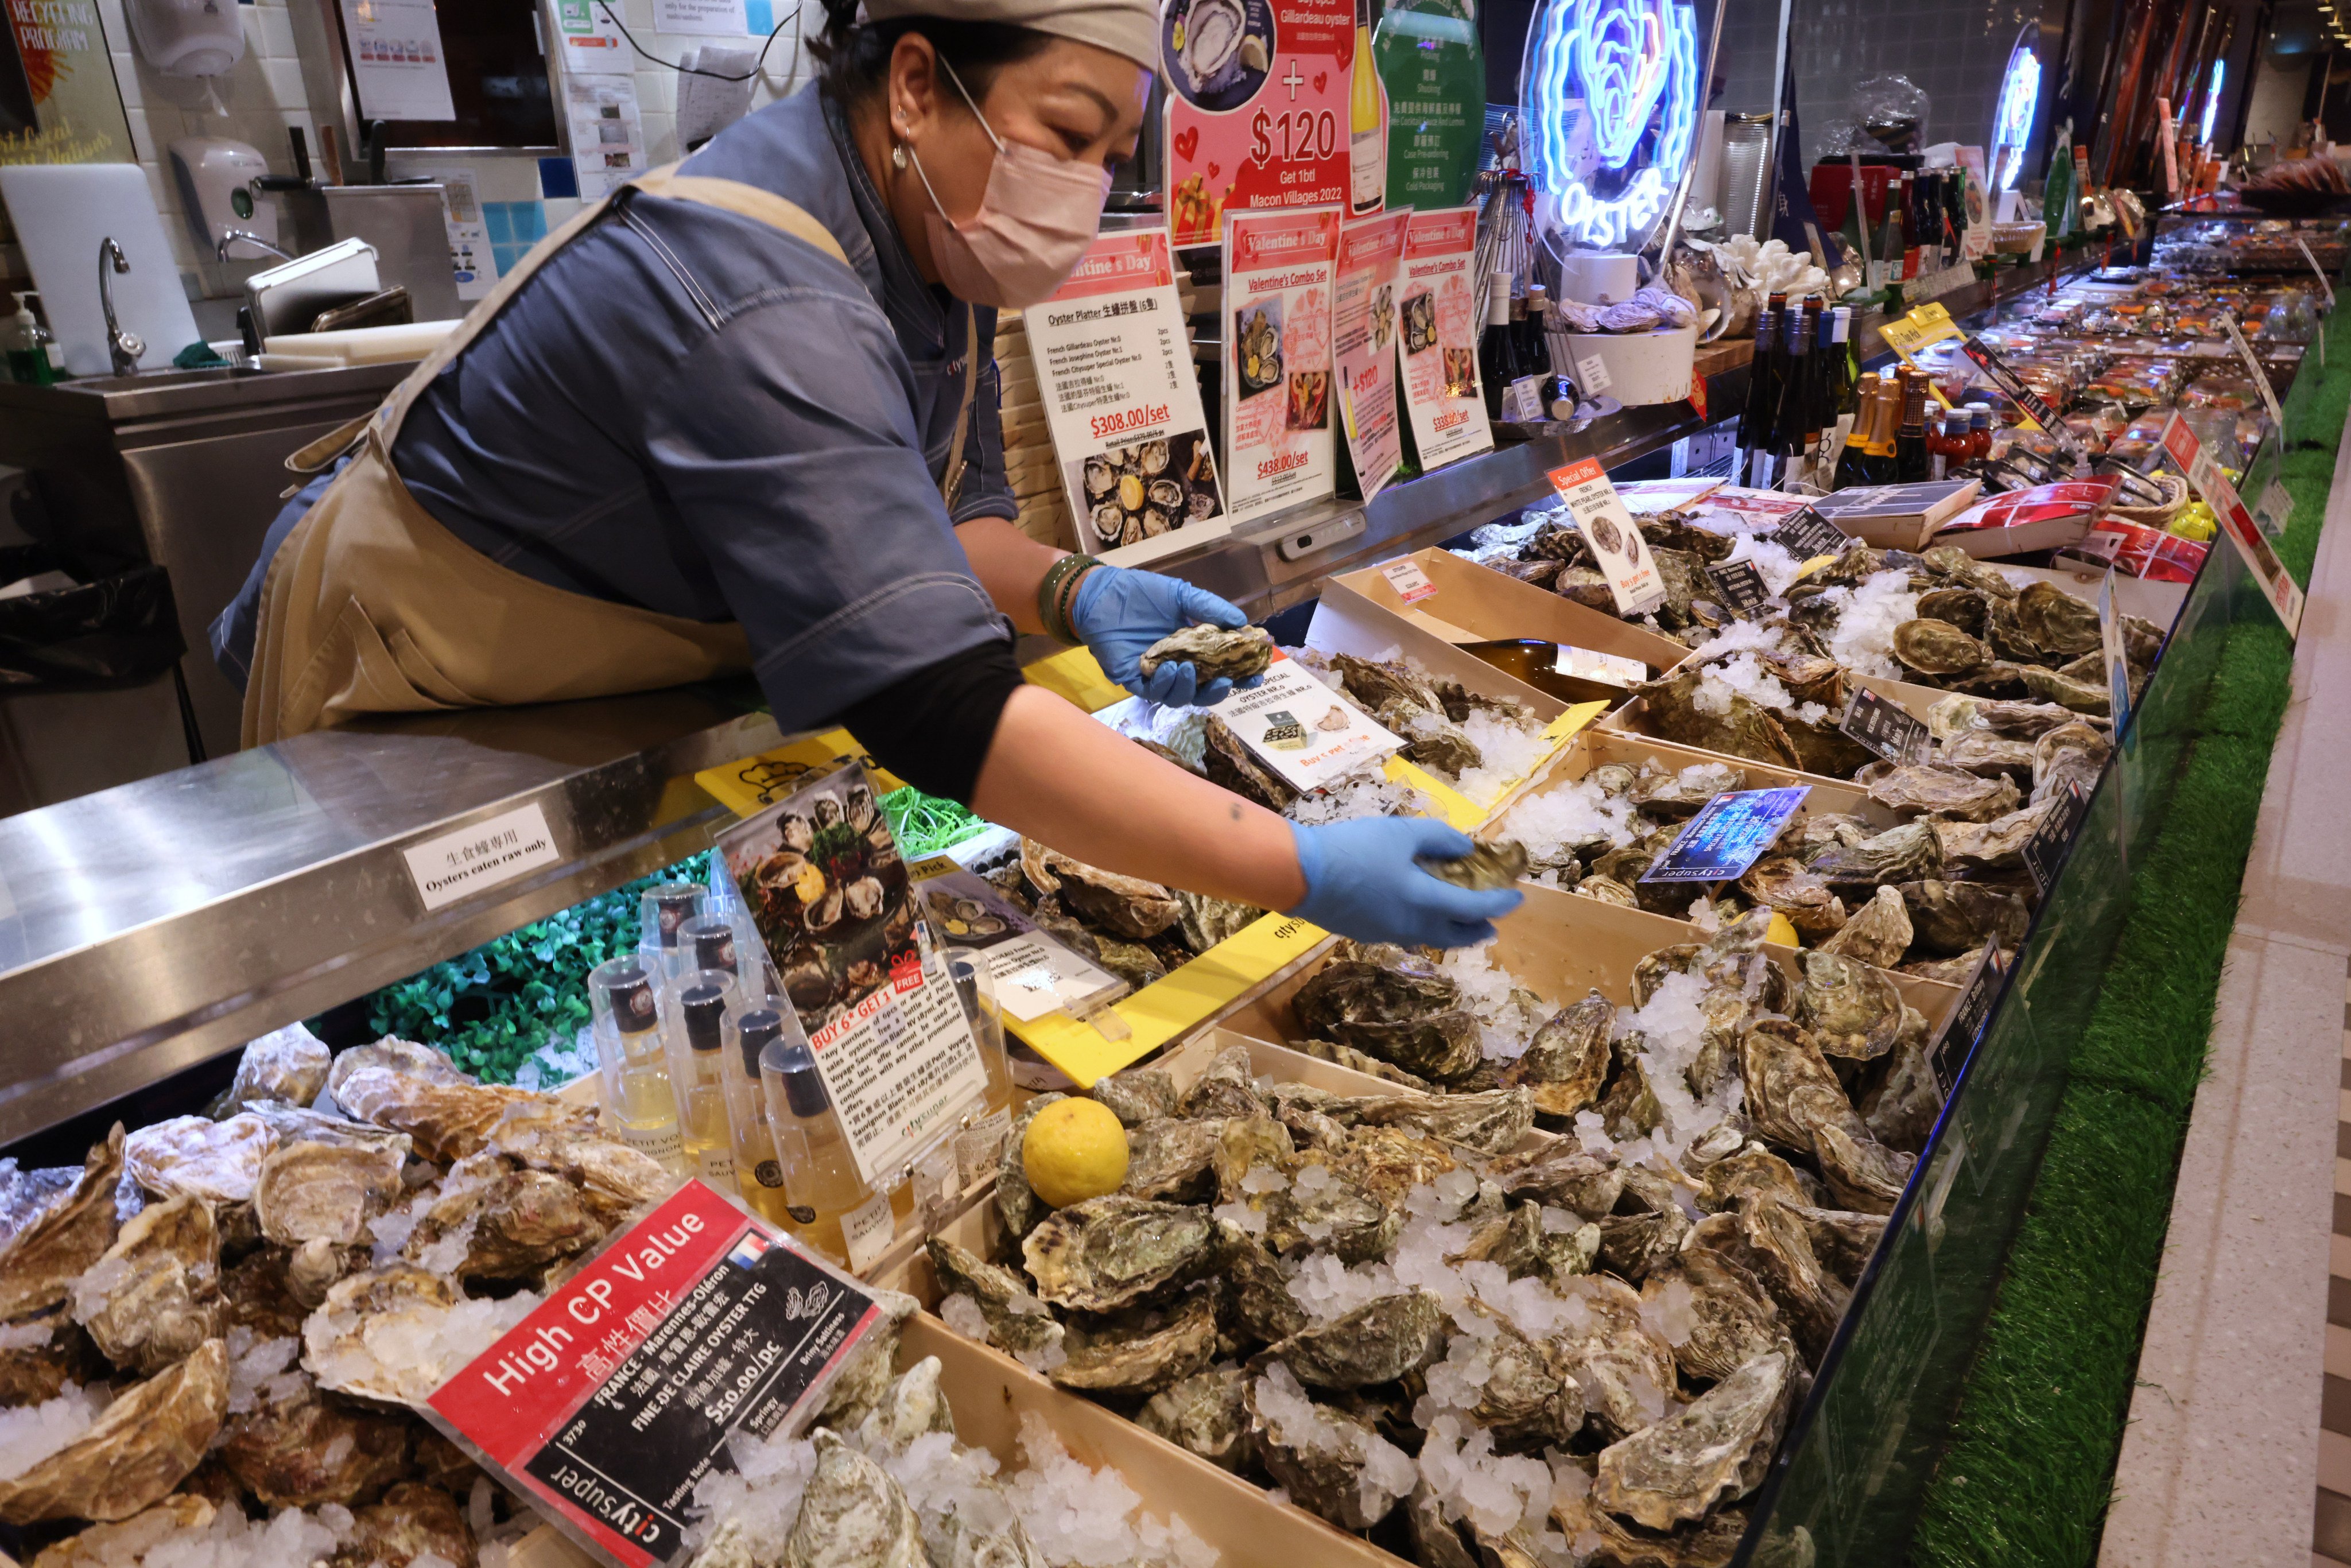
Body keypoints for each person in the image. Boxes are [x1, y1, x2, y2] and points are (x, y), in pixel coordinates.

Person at [210, 0, 1519, 950]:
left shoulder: (927, 239)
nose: (1084, 189)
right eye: (1066, 132)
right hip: (406, 669)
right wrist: (1292, 866)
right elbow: (936, 709)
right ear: (913, 83)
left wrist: (1072, 591)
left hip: (617, 654)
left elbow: (953, 516)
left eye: (1113, 157)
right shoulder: (767, 297)